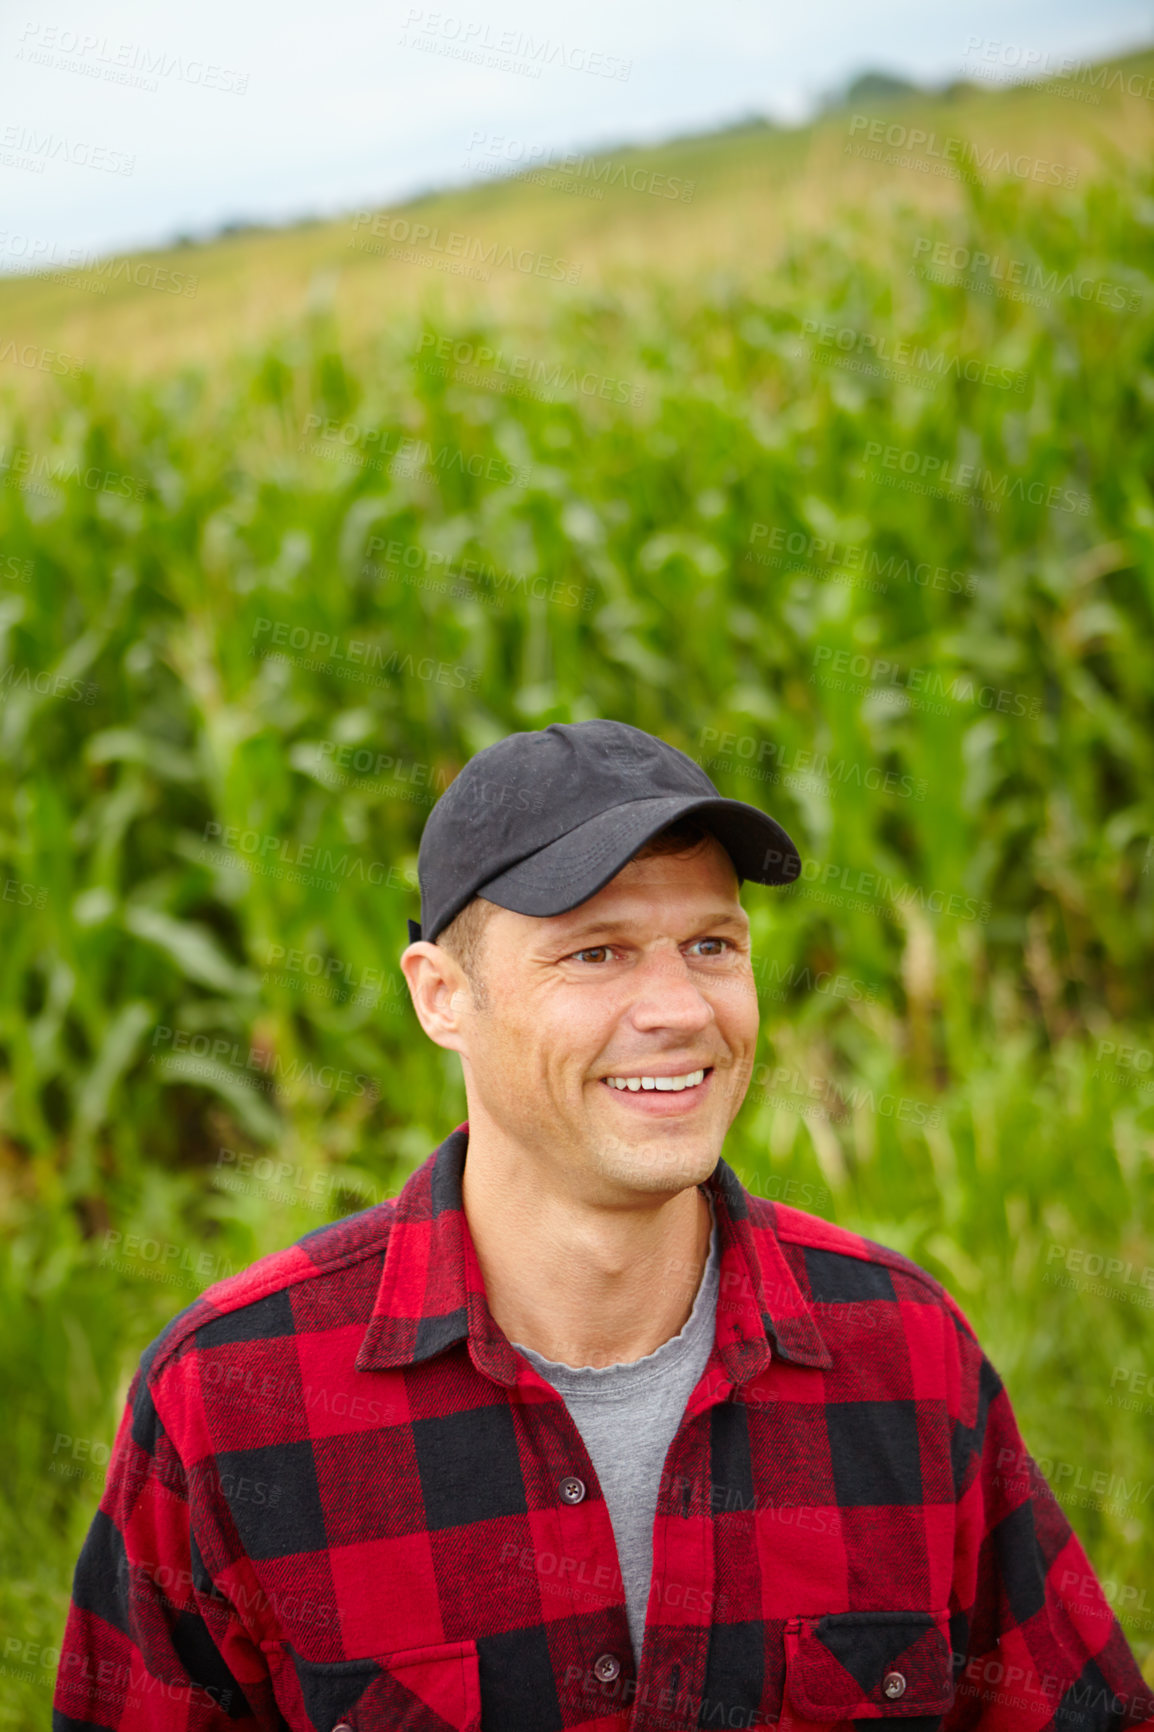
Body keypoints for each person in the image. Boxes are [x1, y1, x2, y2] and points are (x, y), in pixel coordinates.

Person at [55, 719, 1153, 1732]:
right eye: (596, 952)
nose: (679, 1008)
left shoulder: (904, 1356)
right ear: (440, 995)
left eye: (712, 945)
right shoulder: (232, 1398)